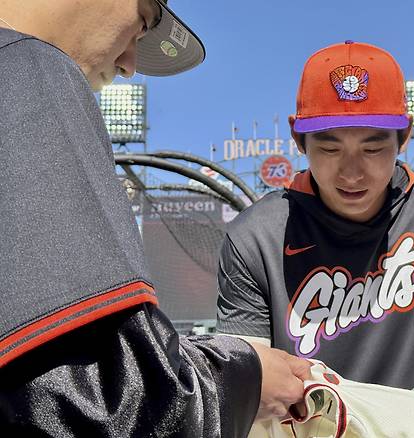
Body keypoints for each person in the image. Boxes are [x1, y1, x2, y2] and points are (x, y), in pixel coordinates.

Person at [0, 0, 311, 435]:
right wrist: (247, 377)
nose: (129, 65)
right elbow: (99, 407)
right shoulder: (30, 69)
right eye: (143, 24)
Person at [217, 40, 414, 398]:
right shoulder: (253, 237)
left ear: (404, 135)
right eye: (329, 148)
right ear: (299, 138)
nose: (352, 173)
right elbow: (252, 383)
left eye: (373, 148)